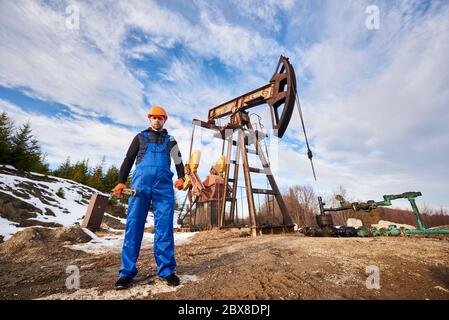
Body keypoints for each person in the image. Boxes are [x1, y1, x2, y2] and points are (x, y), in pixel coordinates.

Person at [113, 106, 186, 289]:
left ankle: (167, 270)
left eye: (160, 118)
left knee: (164, 228)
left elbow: (178, 162)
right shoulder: (139, 137)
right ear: (149, 119)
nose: (157, 121)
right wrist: (121, 181)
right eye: (153, 118)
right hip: (140, 187)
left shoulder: (171, 140)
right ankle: (126, 272)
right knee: (134, 226)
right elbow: (128, 159)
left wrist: (181, 178)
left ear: (165, 120)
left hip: (163, 188)